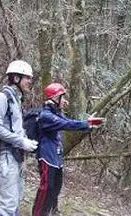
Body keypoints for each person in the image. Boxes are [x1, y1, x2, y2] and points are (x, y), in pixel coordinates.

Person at [32, 83, 105, 216]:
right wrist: (87, 123)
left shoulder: (56, 113)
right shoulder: (46, 115)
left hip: (56, 157)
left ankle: (52, 212)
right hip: (47, 157)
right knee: (46, 188)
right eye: (62, 97)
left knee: (56, 188)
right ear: (55, 98)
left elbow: (70, 121)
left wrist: (88, 124)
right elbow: (67, 124)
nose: (65, 101)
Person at [0, 60, 39, 216]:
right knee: (7, 205)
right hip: (6, 156)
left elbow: (16, 128)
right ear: (16, 78)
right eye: (27, 78)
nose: (30, 82)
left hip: (17, 155)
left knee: (16, 200)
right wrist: (21, 141)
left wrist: (25, 142)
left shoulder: (16, 99)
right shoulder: (1, 98)